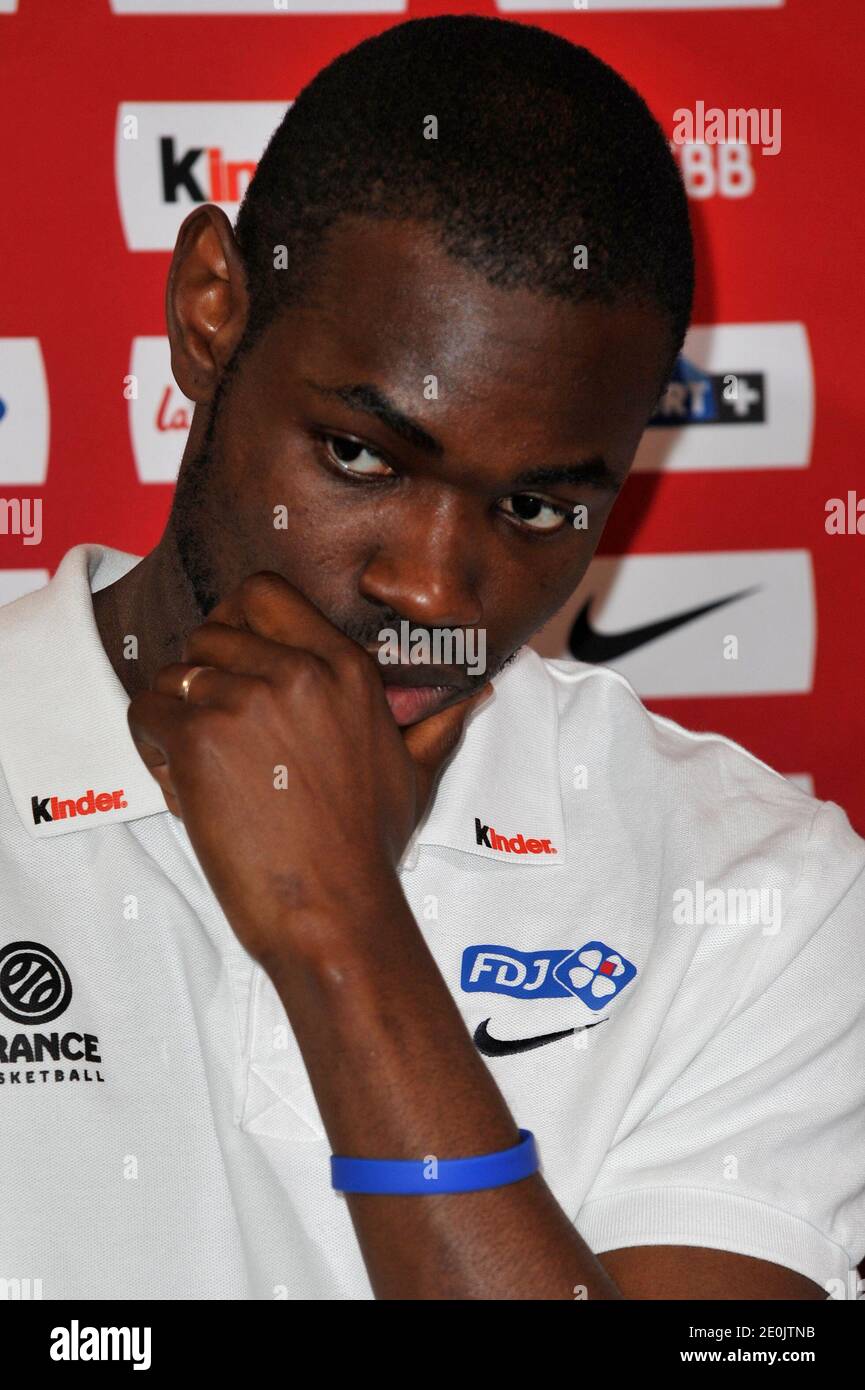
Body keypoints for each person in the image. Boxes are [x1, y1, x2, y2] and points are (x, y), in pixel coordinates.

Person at [0, 14, 862, 1302]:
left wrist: (344, 934)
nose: (433, 589)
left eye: (533, 509)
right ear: (210, 313)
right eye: (362, 456)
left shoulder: (765, 895)